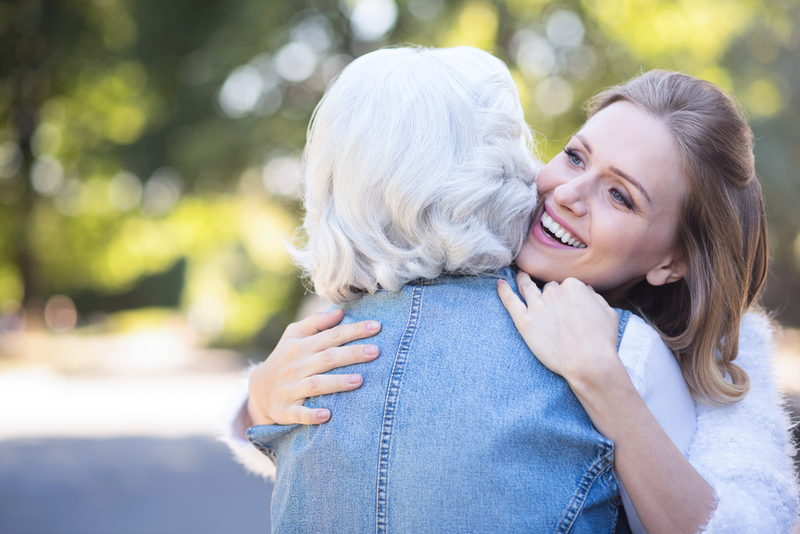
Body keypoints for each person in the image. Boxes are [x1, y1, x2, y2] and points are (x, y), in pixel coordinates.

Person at [221, 52, 799, 533]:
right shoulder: (417, 277)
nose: (570, 192)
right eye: (575, 156)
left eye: (620, 196)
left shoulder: (688, 371)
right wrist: (260, 400)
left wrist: (608, 385)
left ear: (671, 262)